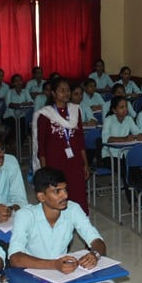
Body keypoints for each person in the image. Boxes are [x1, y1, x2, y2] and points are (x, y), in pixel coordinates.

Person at [35, 77, 90, 214]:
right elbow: (41, 148)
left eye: (68, 90)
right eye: (62, 90)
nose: (66, 93)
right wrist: (45, 171)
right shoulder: (45, 115)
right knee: (58, 197)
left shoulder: (75, 111)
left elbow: (80, 140)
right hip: (55, 162)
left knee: (78, 195)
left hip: (75, 161)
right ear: (53, 93)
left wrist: (85, 164)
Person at [2, 73, 34, 152]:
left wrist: (25, 104)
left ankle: (18, 147)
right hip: (9, 116)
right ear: (13, 83)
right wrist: (20, 105)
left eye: (20, 80)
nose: (18, 82)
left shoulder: (25, 91)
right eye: (16, 81)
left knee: (23, 128)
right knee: (16, 126)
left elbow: (31, 102)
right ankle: (7, 142)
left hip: (21, 115)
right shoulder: (9, 92)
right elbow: (9, 104)